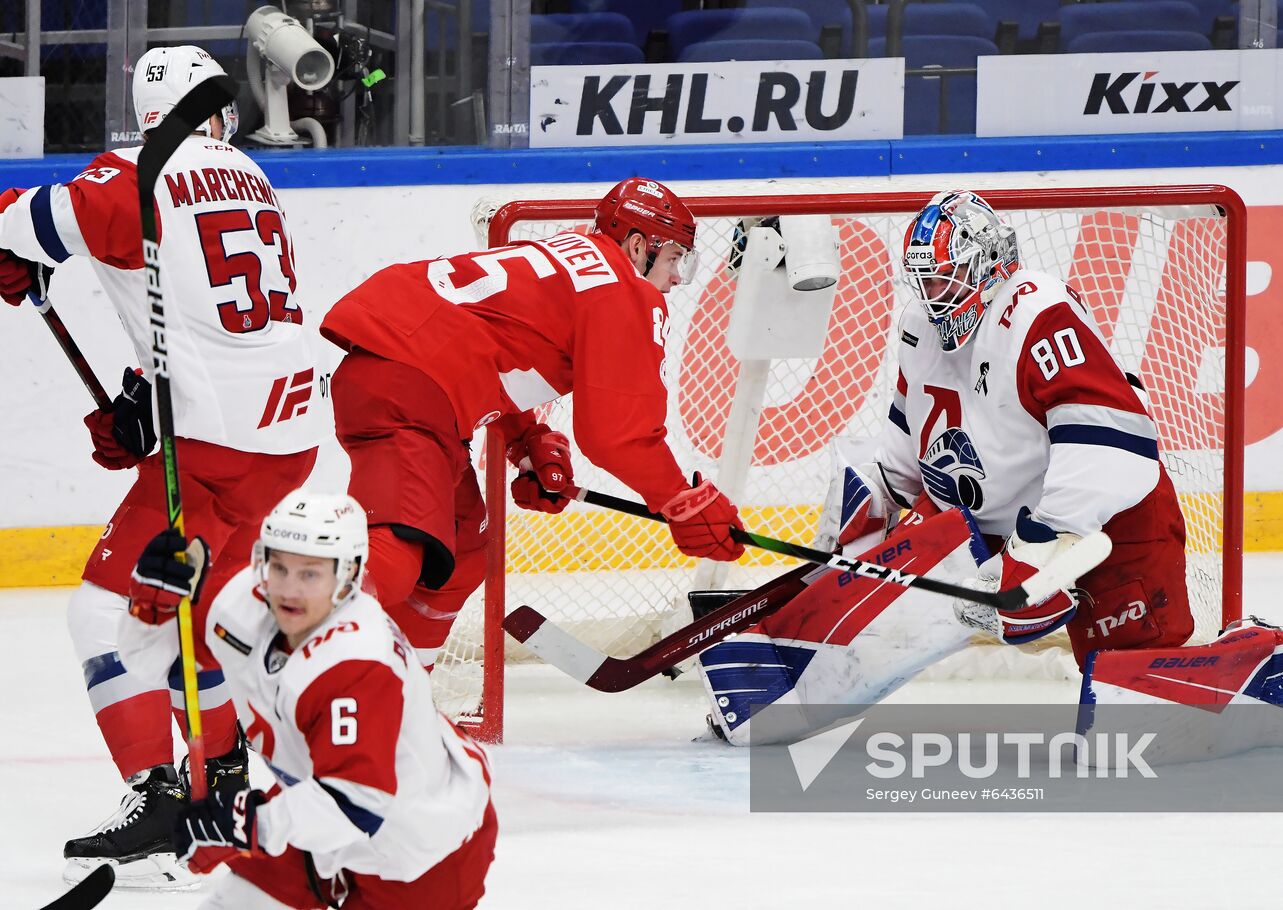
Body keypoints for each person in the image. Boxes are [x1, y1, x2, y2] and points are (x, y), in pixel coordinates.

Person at [695, 190, 1193, 745]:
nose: (934, 298)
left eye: (945, 279)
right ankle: (774, 696)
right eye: (925, 281)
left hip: (1108, 527)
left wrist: (1042, 542)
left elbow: (1114, 441)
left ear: (988, 265)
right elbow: (912, 429)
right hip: (986, 532)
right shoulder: (921, 324)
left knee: (1128, 728)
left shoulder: (1035, 312)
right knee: (887, 601)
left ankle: (1261, 667)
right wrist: (874, 511)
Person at [0, 46, 327, 884]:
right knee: (201, 611)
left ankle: (160, 800)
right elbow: (204, 309)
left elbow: (17, 223)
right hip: (286, 438)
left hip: (215, 447)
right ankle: (221, 785)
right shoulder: (253, 179)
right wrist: (144, 397)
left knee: (109, 615)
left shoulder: (129, 176)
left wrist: (19, 250)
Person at [319, 177, 745, 670]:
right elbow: (617, 435)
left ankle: (398, 691)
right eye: (674, 259)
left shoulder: (569, 253)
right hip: (411, 387)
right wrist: (681, 502)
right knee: (397, 556)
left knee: (462, 550)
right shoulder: (625, 290)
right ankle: (280, 647)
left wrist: (527, 440)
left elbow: (486, 335)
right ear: (637, 245)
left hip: (403, 374)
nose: (676, 278)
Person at [119, 492, 496, 909]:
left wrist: (242, 822)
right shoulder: (242, 605)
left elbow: (357, 806)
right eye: (279, 567)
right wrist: (150, 603)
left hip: (420, 851)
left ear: (349, 574)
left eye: (310, 574)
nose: (289, 590)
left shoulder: (356, 663)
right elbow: (148, 664)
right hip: (319, 818)